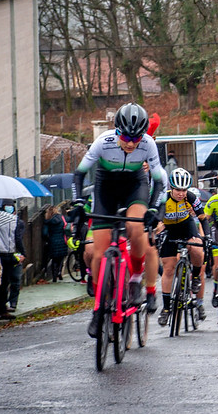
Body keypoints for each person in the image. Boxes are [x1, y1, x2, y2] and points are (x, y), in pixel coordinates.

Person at [71, 102, 168, 338]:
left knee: (136, 228)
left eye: (136, 137)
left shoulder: (148, 144)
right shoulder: (103, 141)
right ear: (117, 131)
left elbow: (159, 180)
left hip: (135, 186)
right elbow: (79, 174)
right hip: (106, 187)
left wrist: (155, 208)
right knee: (98, 252)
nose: (131, 143)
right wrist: (77, 203)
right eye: (126, 136)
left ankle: (135, 280)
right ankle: (98, 310)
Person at [155, 168, 209, 325]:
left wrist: (207, 237)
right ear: (171, 188)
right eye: (178, 189)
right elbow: (157, 218)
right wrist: (157, 228)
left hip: (187, 227)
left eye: (184, 190)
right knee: (169, 269)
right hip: (169, 230)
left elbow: (203, 218)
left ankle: (196, 277)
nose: (181, 193)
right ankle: (166, 309)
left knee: (198, 247)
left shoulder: (191, 197)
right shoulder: (164, 199)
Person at [0, 199, 25, 312]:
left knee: (8, 280)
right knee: (3, 281)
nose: (9, 208)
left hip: (10, 252)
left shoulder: (16, 221)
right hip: (3, 253)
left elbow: (18, 238)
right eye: (7, 206)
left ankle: (5, 304)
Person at [43, 205, 68, 282]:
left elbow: (44, 233)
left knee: (54, 259)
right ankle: (59, 272)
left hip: (52, 241)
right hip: (62, 240)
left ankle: (54, 276)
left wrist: (48, 238)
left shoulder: (48, 221)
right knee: (61, 257)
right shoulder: (61, 218)